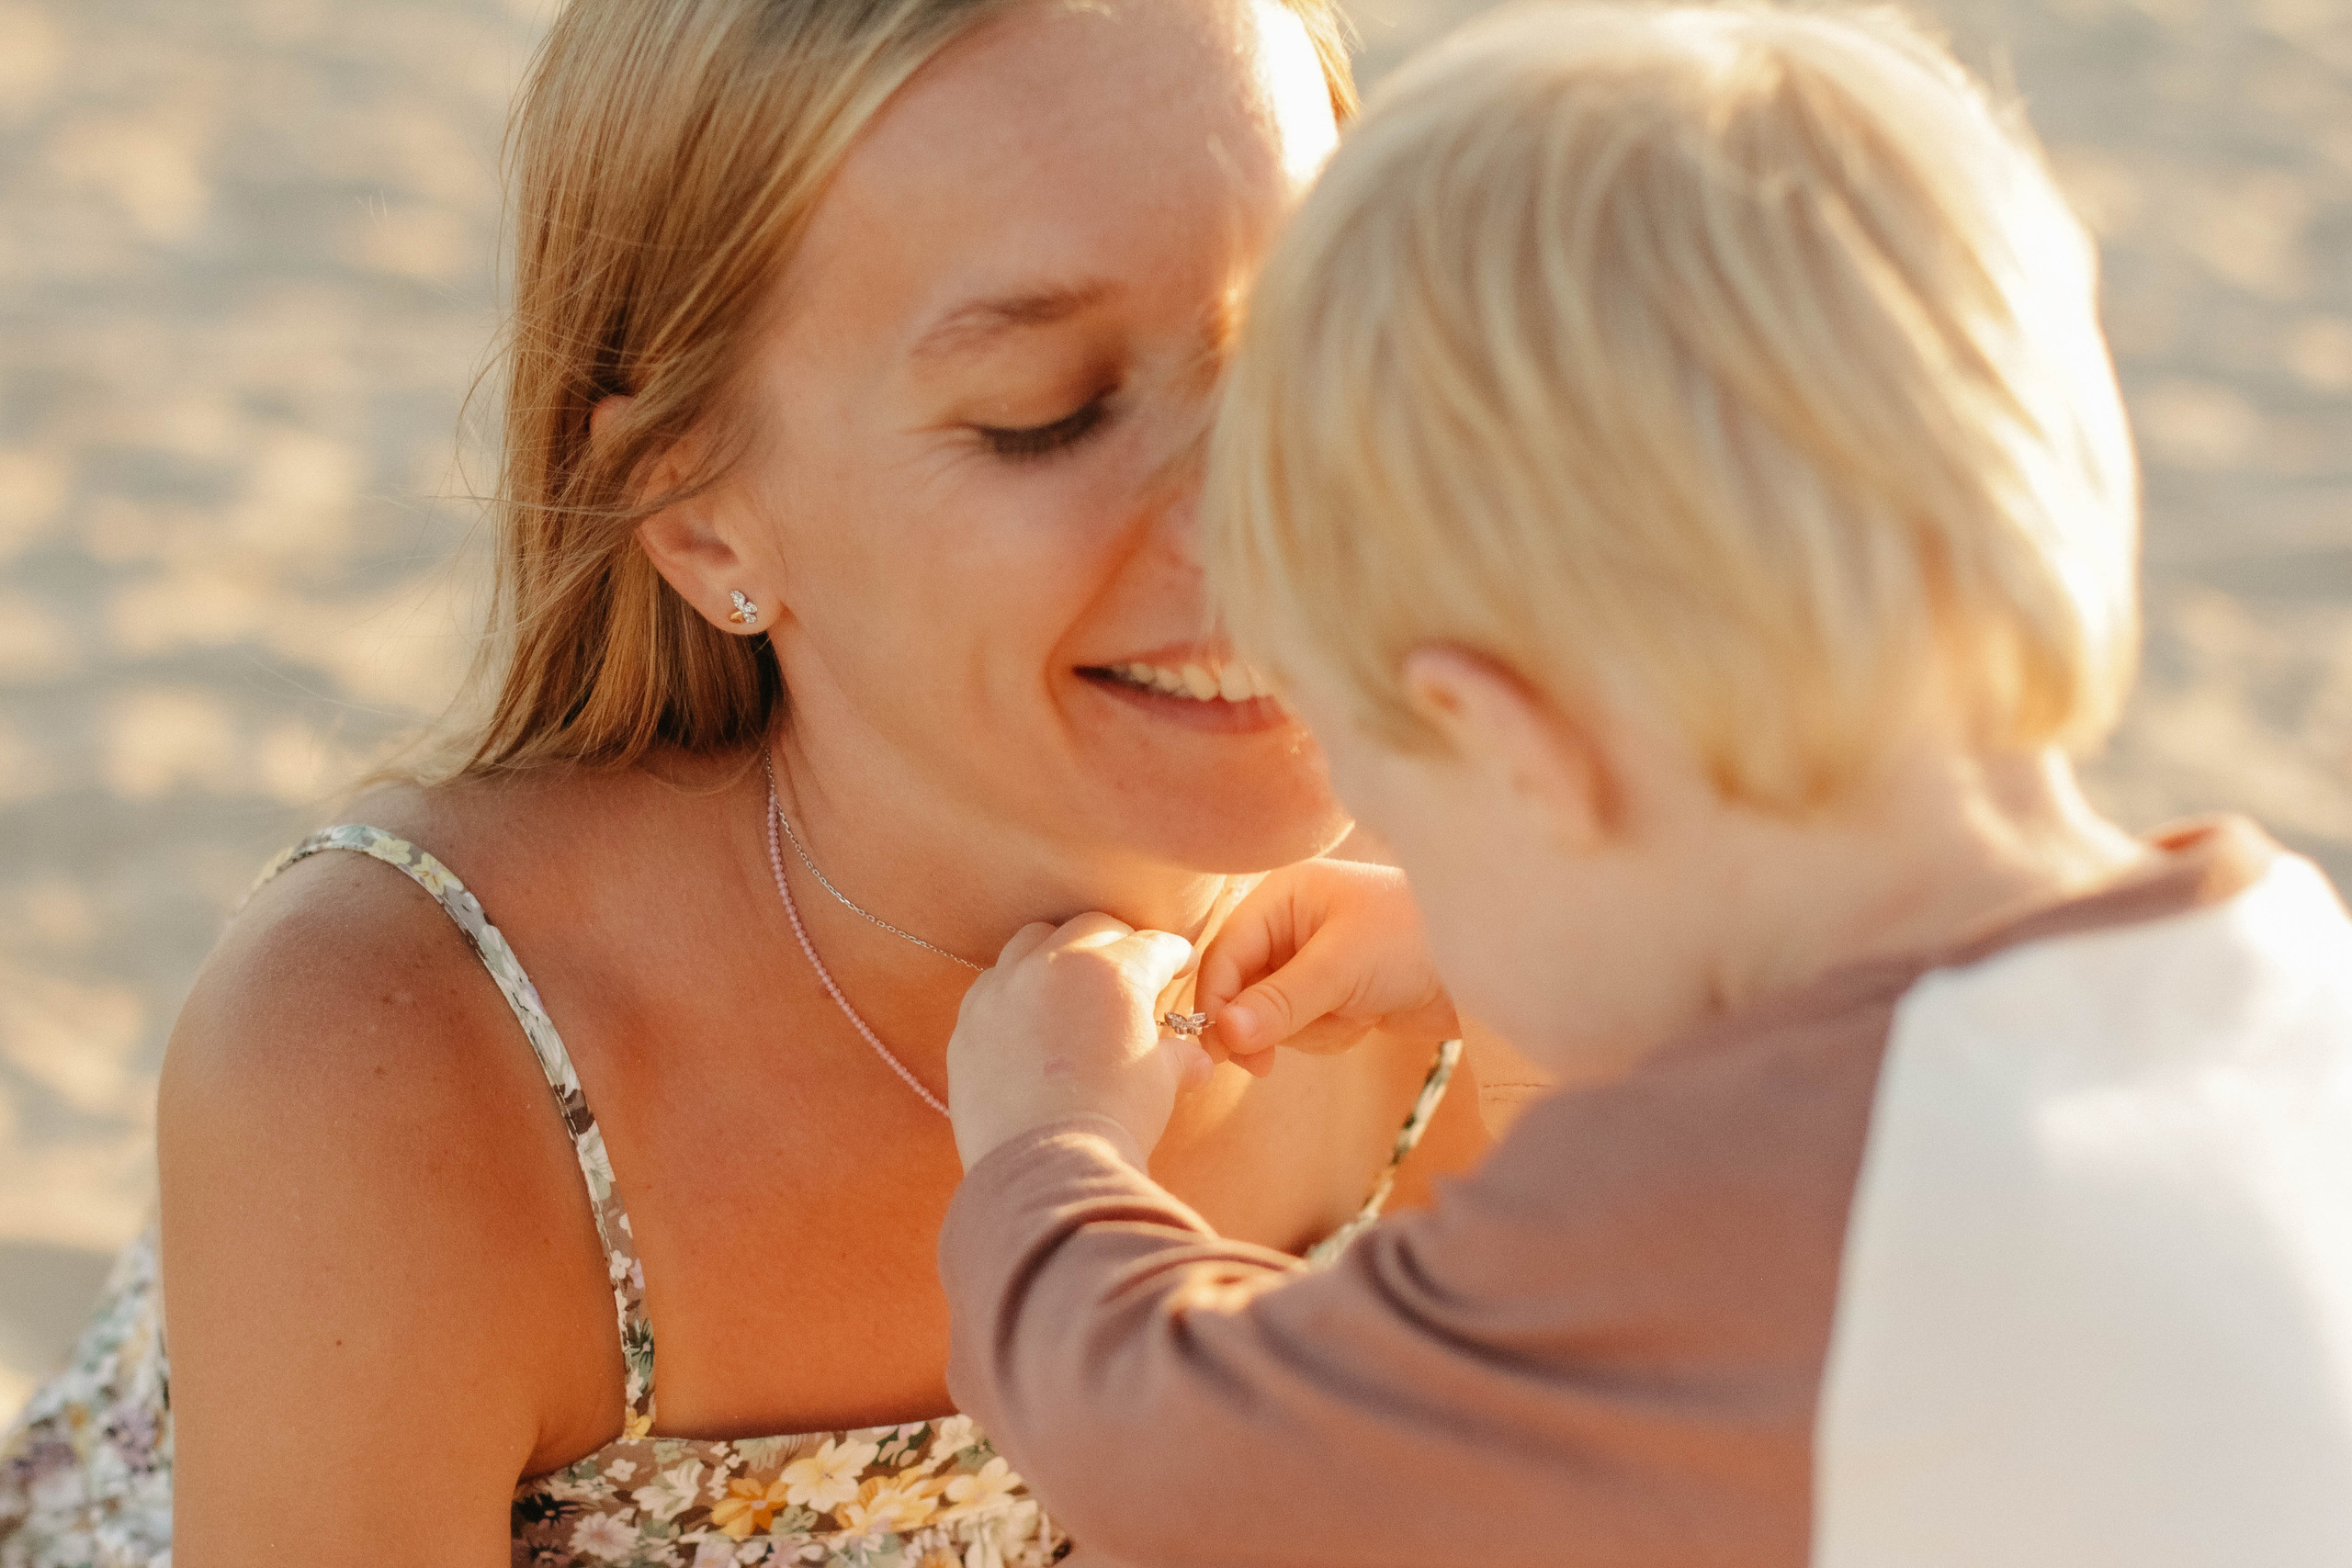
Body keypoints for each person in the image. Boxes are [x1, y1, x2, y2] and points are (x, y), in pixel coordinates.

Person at [0, 1, 1489, 1564]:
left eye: (1319, 336)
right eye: (1048, 415)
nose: (1268, 508)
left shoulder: (1511, 905)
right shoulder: (405, 1065)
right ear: (704, 515)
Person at [933, 6, 2352, 1564]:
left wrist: (1044, 1154)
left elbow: (1181, 1462)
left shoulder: (1744, 1213)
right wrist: (1473, 929)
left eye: (1408, 811)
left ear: (1513, 747)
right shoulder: (2266, 958)